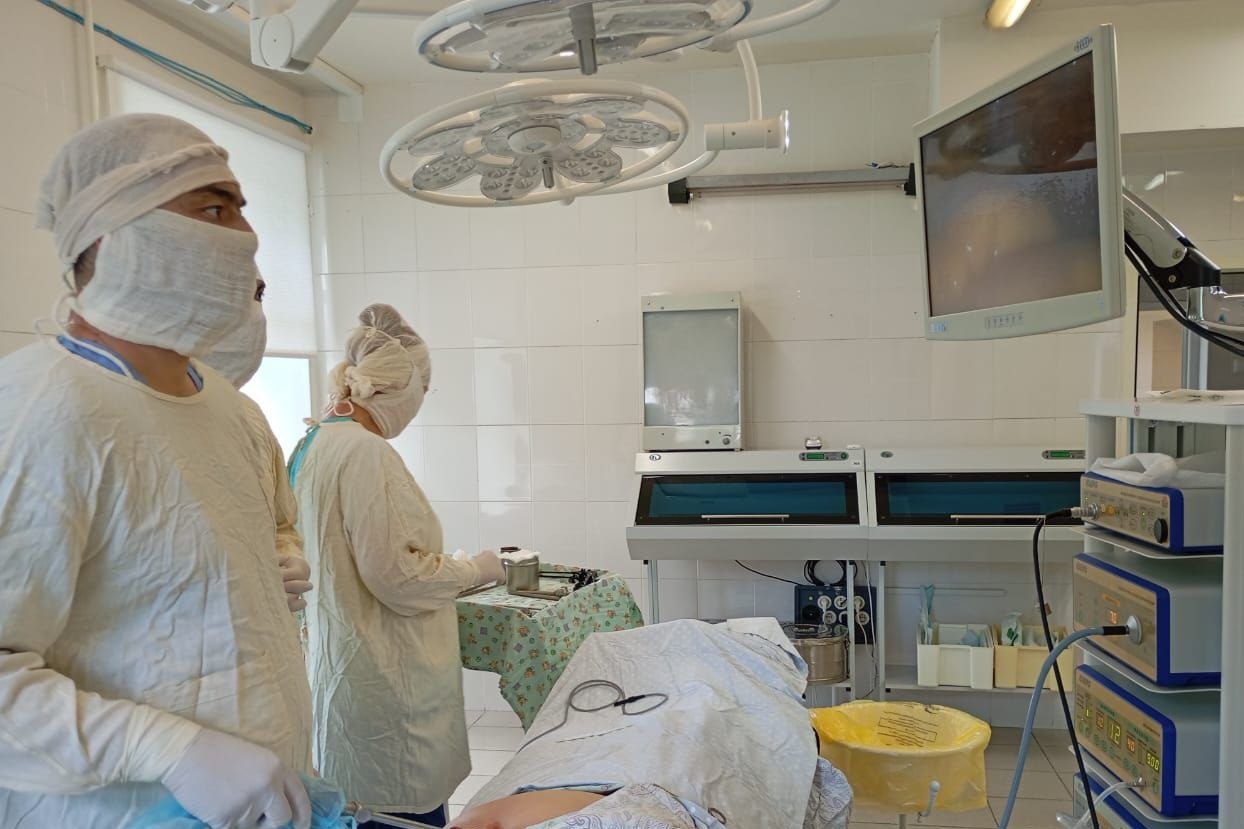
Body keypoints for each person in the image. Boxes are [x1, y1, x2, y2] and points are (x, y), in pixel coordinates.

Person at [0, 114, 314, 829]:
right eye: (214, 210)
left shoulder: (229, 408)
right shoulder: (38, 412)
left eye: (242, 210)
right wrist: (165, 748)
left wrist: (272, 562)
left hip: (263, 800)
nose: (246, 237)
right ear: (115, 236)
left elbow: (243, 537)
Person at [288, 304, 505, 828]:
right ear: (398, 390)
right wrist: (477, 569)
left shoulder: (312, 441)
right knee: (400, 811)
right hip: (387, 684)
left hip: (341, 668)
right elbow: (398, 577)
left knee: (358, 806)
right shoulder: (366, 453)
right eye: (422, 392)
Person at [203, 291, 314, 615]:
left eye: (258, 293)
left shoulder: (248, 414)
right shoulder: (115, 417)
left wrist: (288, 557)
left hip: (266, 634)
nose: (251, 311)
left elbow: (280, 522)